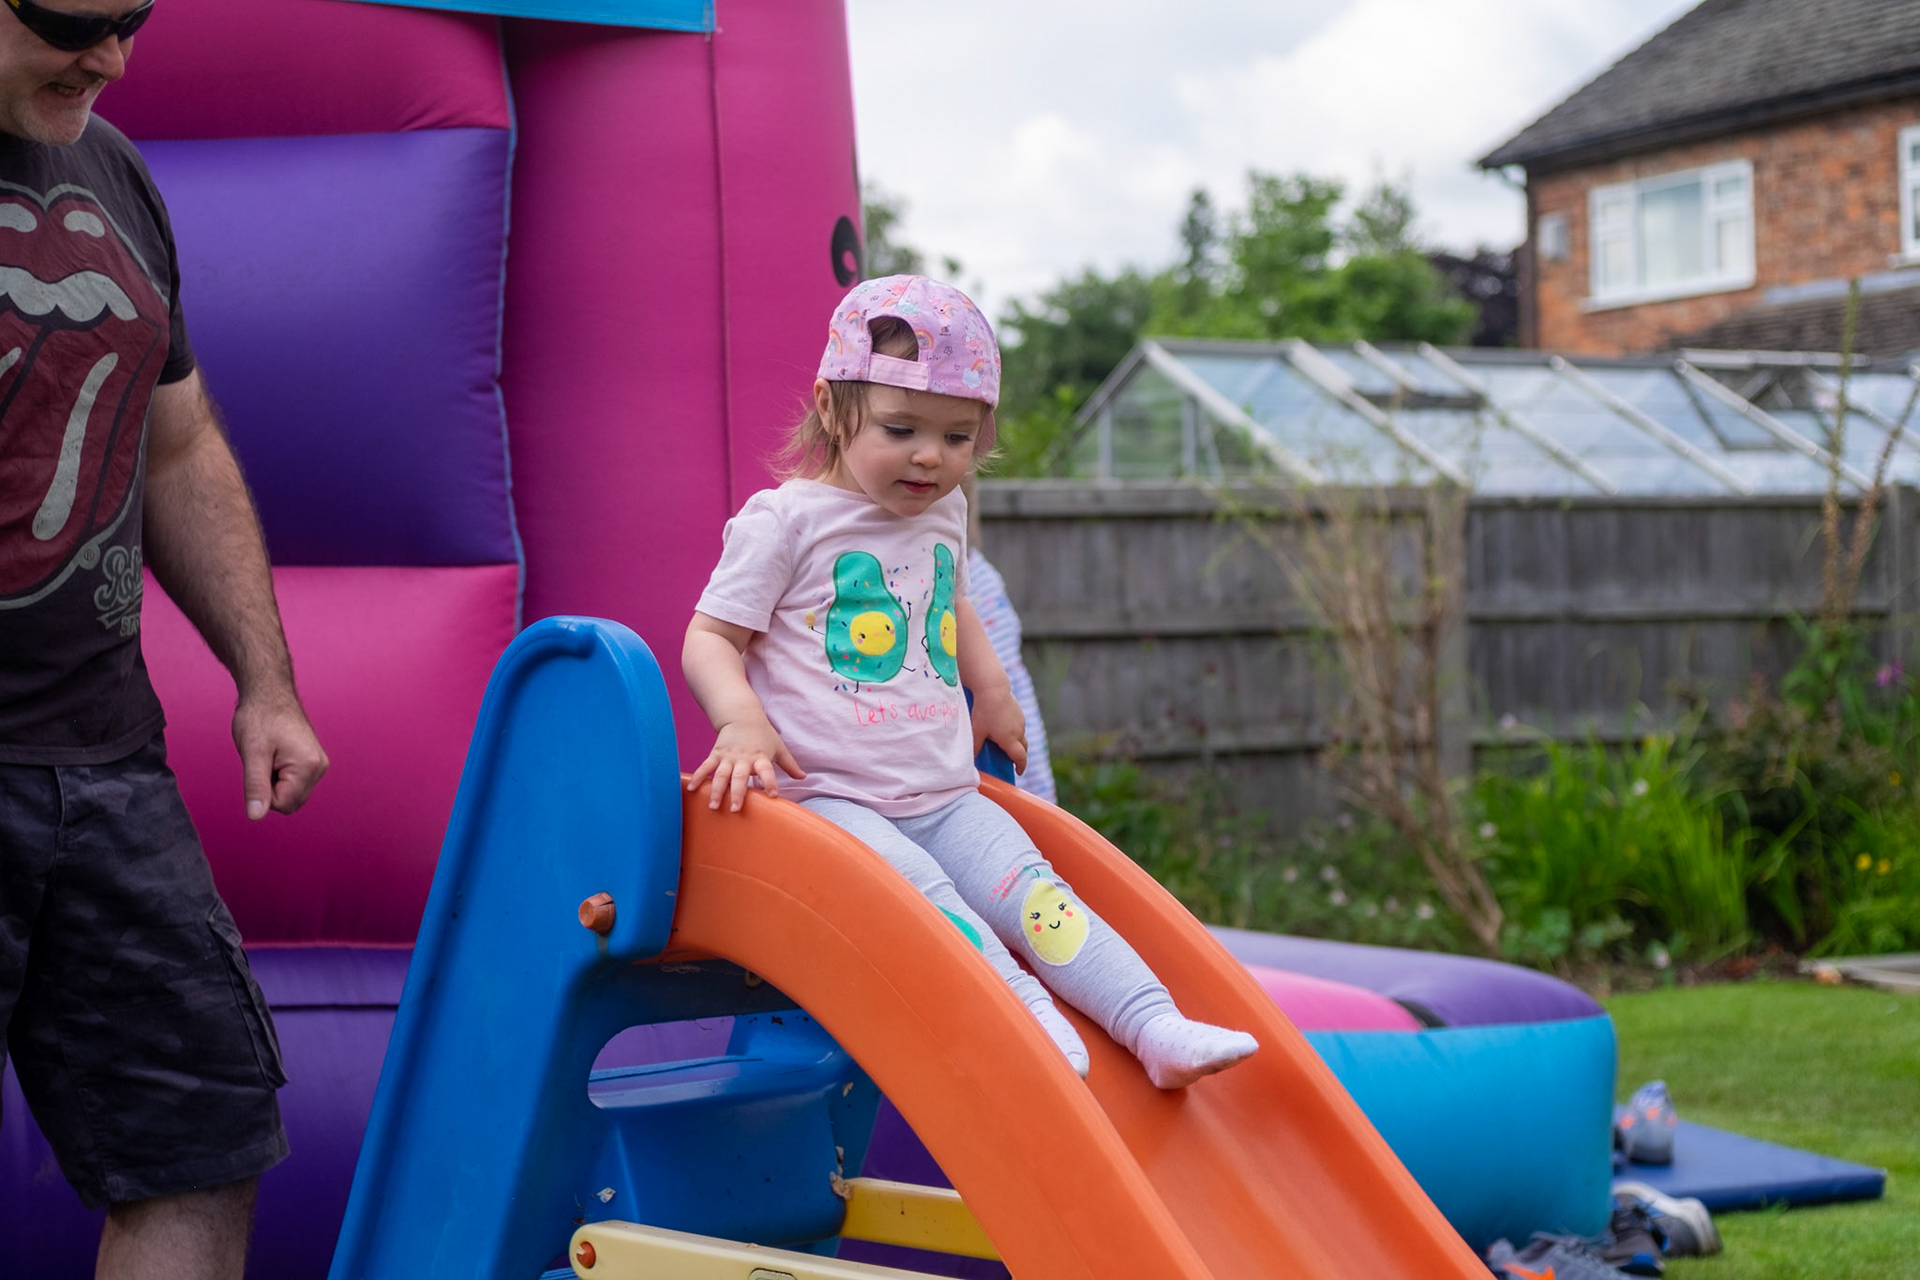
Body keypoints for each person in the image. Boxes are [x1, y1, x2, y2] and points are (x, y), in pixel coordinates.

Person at [683, 275, 1255, 1089]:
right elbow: (711, 636)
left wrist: (993, 692)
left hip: (945, 793)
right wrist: (741, 719)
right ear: (830, 406)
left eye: (958, 437)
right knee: (927, 898)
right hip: (831, 801)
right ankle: (1025, 1019)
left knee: (1038, 895)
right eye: (902, 429)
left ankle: (1151, 1024)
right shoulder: (785, 522)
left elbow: (955, 605)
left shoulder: (941, 514)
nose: (931, 456)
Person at [0, 3, 328, 1277]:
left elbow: (177, 443)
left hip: (106, 767)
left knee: (198, 1147)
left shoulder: (111, 166)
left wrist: (264, 680)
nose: (113, 58)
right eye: (75, 20)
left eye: (132, 17)